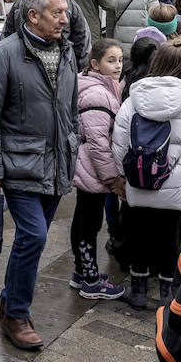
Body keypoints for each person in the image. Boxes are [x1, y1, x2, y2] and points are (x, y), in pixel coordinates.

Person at [0, 0, 79, 349]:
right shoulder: (3, 54)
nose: (65, 19)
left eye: (65, 12)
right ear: (33, 16)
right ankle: (17, 314)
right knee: (33, 236)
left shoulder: (66, 52)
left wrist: (74, 146)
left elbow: (70, 109)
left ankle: (9, 300)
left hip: (56, 165)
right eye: (57, 12)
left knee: (31, 241)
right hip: (18, 163)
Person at [110, 41, 181, 309]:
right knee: (171, 236)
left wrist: (124, 174)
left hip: (141, 181)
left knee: (139, 234)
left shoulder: (134, 97)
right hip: (177, 184)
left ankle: (139, 291)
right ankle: (167, 292)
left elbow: (119, 141)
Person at [70, 39, 127, 301]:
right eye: (111, 60)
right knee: (89, 224)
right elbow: (98, 143)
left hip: (89, 168)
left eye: (120, 60)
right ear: (95, 64)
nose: (118, 66)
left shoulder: (102, 87)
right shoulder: (96, 93)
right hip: (92, 169)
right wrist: (112, 178)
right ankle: (90, 281)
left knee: (84, 219)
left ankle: (82, 272)